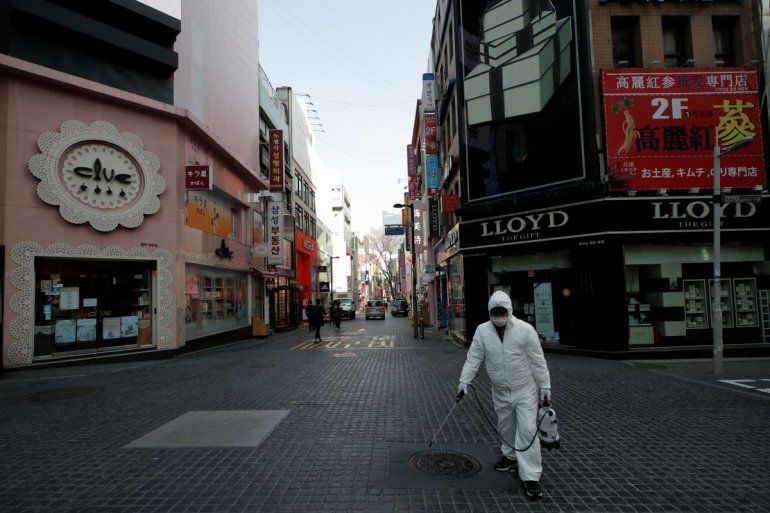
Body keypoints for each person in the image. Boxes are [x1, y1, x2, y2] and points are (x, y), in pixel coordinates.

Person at [457, 290, 551, 500]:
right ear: (490, 312)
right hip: (499, 390)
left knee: (527, 431)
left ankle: (531, 477)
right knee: (506, 426)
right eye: (495, 313)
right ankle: (510, 458)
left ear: (509, 311)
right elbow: (474, 357)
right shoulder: (482, 331)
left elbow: (537, 360)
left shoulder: (525, 330)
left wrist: (544, 385)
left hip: (525, 389)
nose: (499, 317)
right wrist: (465, 380)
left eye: (502, 313)